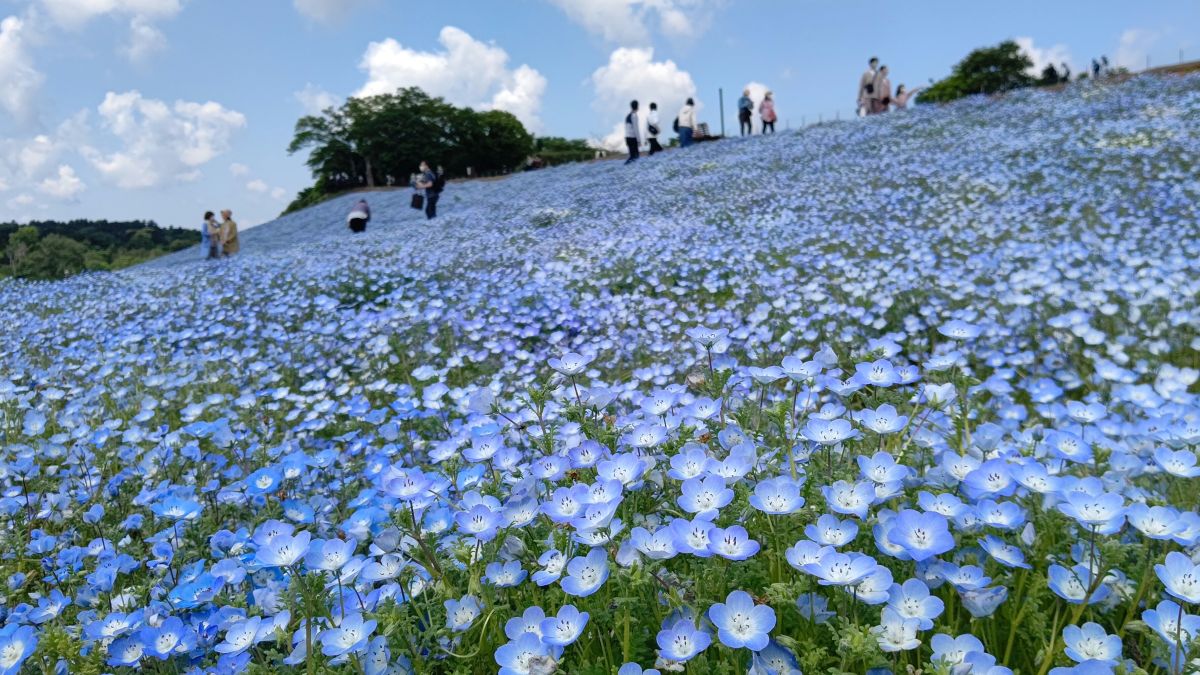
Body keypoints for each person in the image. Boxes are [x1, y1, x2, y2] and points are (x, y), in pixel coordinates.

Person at [624, 100, 641, 165]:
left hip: (627, 137)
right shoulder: (634, 115)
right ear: (637, 107)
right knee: (635, 156)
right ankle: (626, 166)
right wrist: (639, 140)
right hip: (632, 137)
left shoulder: (628, 115)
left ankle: (626, 166)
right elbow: (636, 129)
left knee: (632, 156)